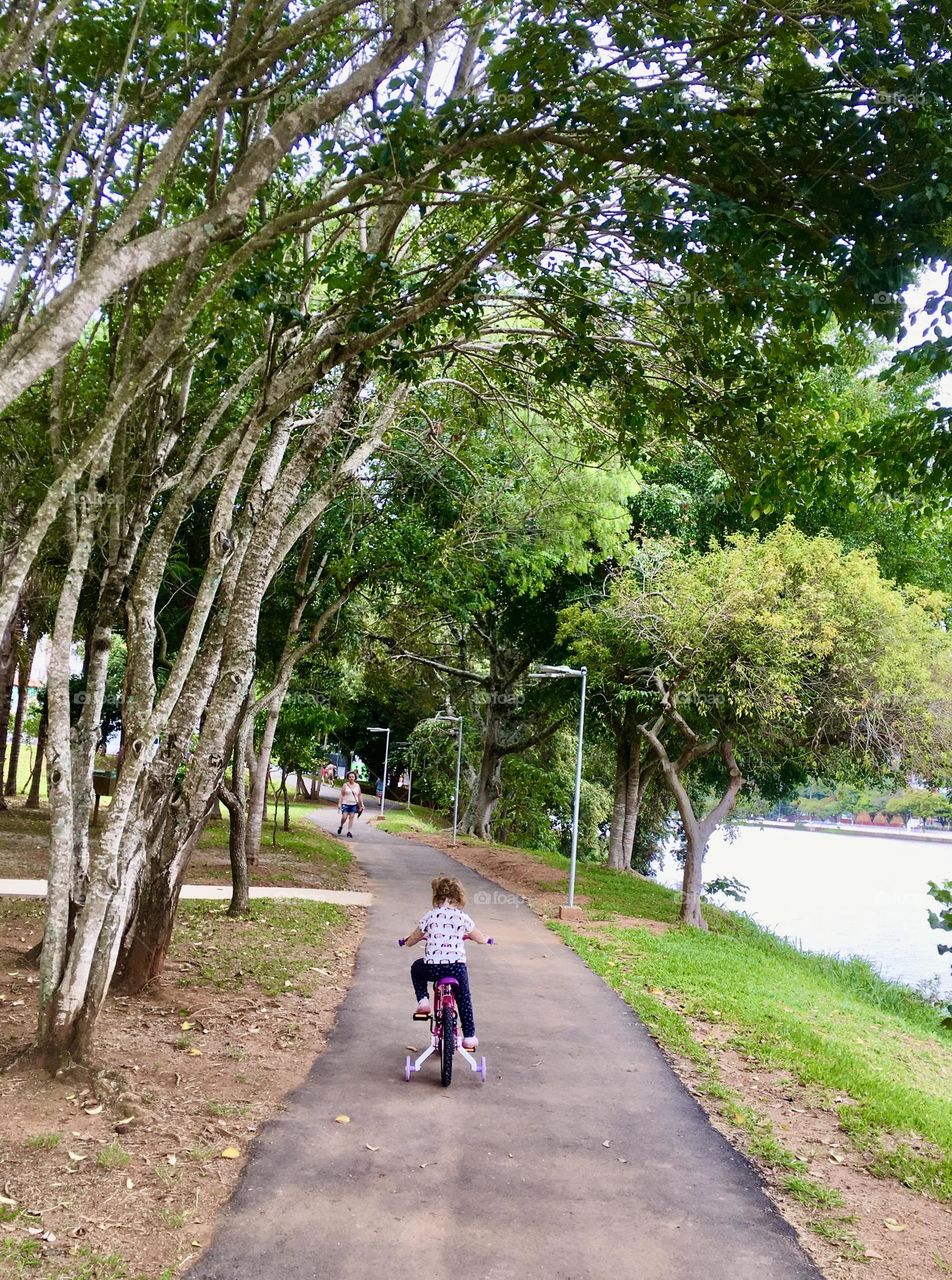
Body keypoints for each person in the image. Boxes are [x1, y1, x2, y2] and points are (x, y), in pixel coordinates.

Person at [399, 875, 493, 1050]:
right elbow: (479, 937)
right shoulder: (462, 917)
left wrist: (407, 941)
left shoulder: (430, 916)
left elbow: (414, 938)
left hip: (433, 967)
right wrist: (486, 939)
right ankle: (469, 1037)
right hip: (456, 967)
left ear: (436, 897)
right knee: (464, 998)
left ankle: (423, 1002)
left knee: (416, 968)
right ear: (458, 897)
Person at [336, 771, 363, 837]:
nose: (351, 778)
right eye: (350, 777)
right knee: (344, 817)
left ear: (355, 777)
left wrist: (362, 804)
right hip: (345, 803)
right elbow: (342, 794)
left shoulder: (357, 785)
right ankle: (341, 826)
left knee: (351, 817)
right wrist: (339, 803)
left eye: (353, 777)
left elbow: (359, 795)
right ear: (348, 778)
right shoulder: (345, 785)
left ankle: (349, 831)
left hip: (354, 804)